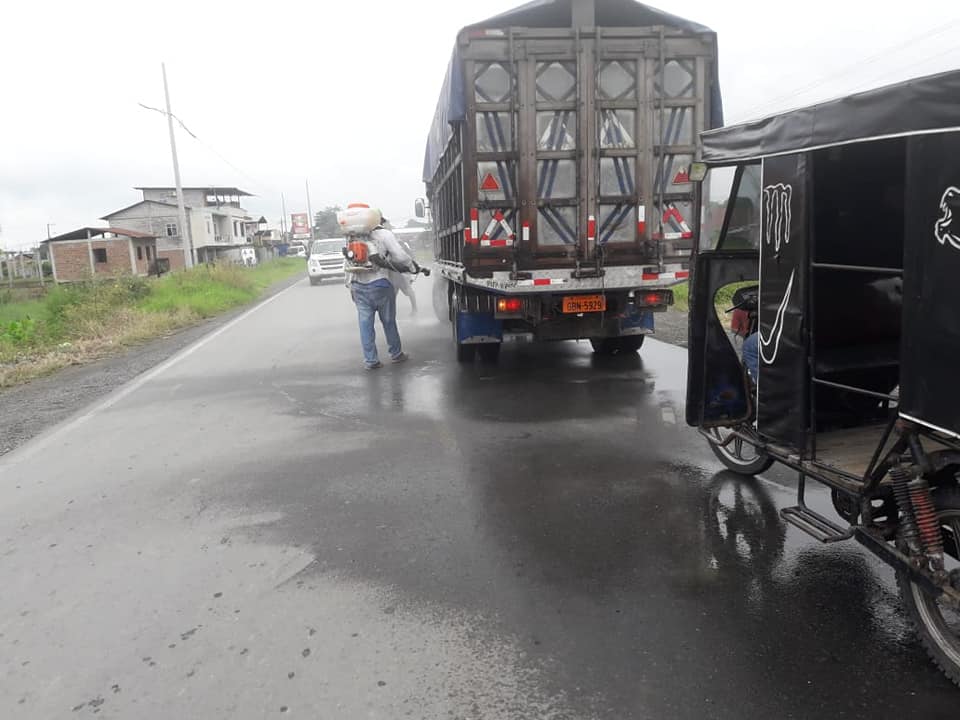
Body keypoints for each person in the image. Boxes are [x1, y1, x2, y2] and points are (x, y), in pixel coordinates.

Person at [346, 213, 417, 370]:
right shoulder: (384, 234)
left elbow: (348, 263)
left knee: (365, 325)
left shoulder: (351, 237)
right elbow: (400, 256)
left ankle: (371, 360)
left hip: (358, 285)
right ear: (379, 221)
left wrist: (350, 285)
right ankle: (396, 354)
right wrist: (411, 266)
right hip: (381, 284)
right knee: (389, 321)